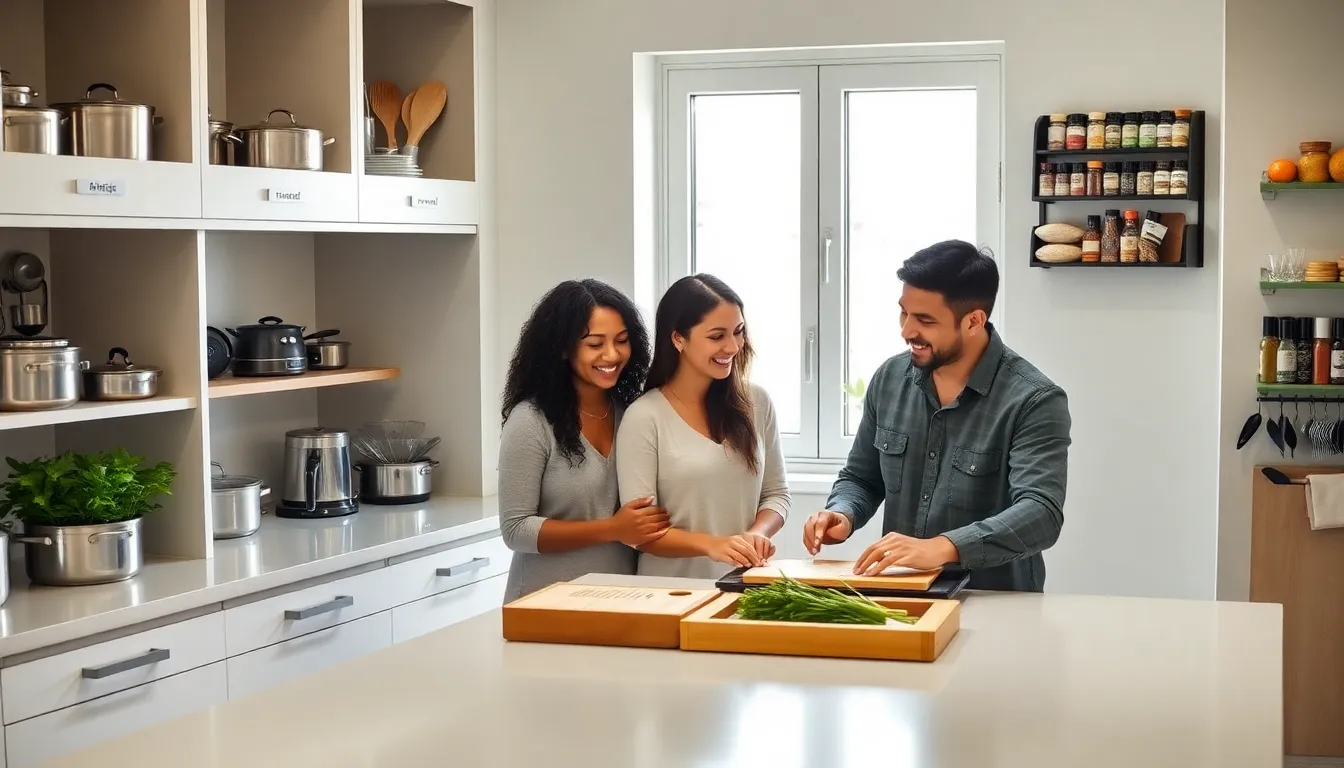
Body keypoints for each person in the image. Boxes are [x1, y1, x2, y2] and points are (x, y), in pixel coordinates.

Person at [802, 240, 1070, 592]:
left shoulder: (1034, 399)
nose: (906, 331)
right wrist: (843, 513)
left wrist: (944, 548)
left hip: (998, 601)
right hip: (903, 596)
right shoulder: (889, 379)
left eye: (925, 320)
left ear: (974, 321)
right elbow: (861, 477)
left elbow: (1041, 513)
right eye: (904, 313)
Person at [498, 279, 671, 603]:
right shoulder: (531, 421)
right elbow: (516, 529)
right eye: (595, 343)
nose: (612, 354)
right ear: (563, 348)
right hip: (544, 605)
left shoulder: (632, 414)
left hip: (621, 601)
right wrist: (613, 529)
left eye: (622, 340)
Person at [615, 274, 790, 579]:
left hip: (744, 587)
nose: (733, 346)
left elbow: (777, 494)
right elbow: (639, 533)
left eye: (738, 332)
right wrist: (711, 545)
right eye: (716, 336)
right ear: (678, 338)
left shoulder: (757, 403)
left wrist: (756, 535)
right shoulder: (644, 417)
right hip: (669, 596)